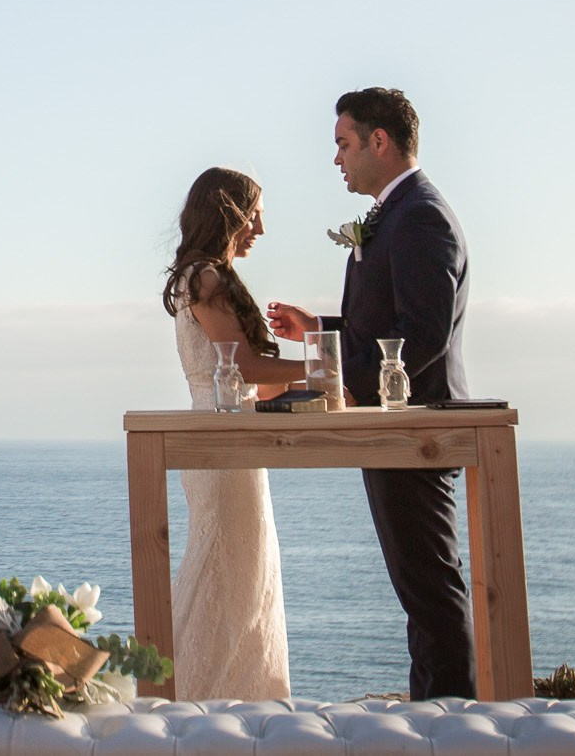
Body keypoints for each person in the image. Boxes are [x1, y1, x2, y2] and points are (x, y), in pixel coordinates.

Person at [269, 87, 475, 701]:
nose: (337, 159)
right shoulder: (397, 213)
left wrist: (333, 380)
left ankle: (452, 723)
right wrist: (322, 332)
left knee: (431, 592)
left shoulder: (420, 216)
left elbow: (422, 337)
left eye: (343, 144)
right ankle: (435, 712)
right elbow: (386, 328)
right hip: (393, 424)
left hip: (414, 427)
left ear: (378, 142)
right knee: (421, 591)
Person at [159, 166, 323, 700]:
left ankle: (228, 700)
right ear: (227, 213)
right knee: (228, 578)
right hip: (223, 444)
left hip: (224, 435)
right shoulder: (207, 276)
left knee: (238, 575)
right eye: (254, 212)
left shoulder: (196, 275)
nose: (260, 227)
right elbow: (244, 368)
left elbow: (246, 379)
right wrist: (319, 368)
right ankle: (201, 701)